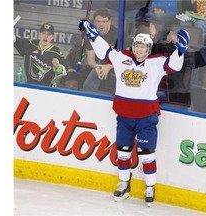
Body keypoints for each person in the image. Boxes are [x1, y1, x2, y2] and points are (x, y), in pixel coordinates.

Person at [78, 19, 189, 205]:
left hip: (146, 117)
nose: (139, 50)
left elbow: (174, 66)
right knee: (123, 152)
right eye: (137, 45)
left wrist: (180, 51)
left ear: (149, 48)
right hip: (124, 117)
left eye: (143, 46)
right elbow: (104, 50)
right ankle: (124, 183)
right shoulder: (122, 59)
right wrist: (93, 35)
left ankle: (150, 186)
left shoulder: (156, 63)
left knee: (146, 154)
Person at [82, 8, 130, 95]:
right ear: (94, 22)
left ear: (110, 22)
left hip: (118, 65)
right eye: (98, 21)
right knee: (86, 88)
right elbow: (90, 60)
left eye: (104, 21)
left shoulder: (119, 35)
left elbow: (127, 57)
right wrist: (97, 66)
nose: (101, 24)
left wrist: (109, 66)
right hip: (100, 64)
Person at [14, 22, 67, 87]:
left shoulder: (56, 51)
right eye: (43, 33)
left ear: (52, 37)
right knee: (23, 97)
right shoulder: (30, 45)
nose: (45, 36)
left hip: (47, 89)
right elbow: (15, 39)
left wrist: (57, 66)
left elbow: (64, 71)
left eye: (49, 34)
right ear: (39, 35)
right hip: (29, 86)